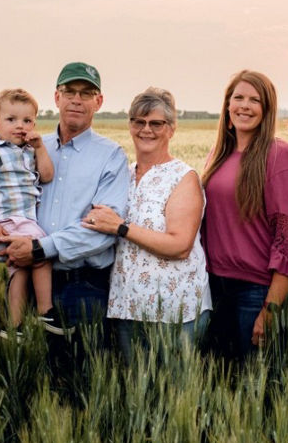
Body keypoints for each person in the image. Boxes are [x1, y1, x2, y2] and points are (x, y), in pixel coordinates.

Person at [1, 62, 130, 348]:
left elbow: (102, 228)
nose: (76, 99)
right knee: (32, 382)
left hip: (84, 287)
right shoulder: (29, 147)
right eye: (69, 91)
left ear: (98, 102)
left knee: (82, 380)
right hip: (26, 284)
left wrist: (37, 249)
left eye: (86, 93)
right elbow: (5, 200)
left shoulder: (111, 156)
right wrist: (3, 244)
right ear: (56, 97)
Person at [82, 87, 211, 359]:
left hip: (175, 311)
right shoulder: (122, 175)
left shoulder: (182, 177)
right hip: (127, 306)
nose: (146, 130)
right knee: (137, 395)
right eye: (138, 122)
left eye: (156, 123)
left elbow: (180, 245)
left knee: (175, 397)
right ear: (130, 125)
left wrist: (121, 227)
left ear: (171, 128)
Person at [200, 69, 288, 359]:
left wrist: (270, 308)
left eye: (255, 100)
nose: (244, 106)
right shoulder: (218, 153)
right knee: (222, 383)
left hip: (255, 290)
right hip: (212, 286)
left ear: (267, 109)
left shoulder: (278, 154)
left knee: (255, 386)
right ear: (227, 104)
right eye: (238, 97)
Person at [0, 88, 55, 329]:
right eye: (11, 120)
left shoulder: (30, 151)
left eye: (27, 120)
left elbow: (48, 176)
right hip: (9, 220)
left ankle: (16, 324)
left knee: (19, 270)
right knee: (42, 255)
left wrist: (40, 148)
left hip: (25, 220)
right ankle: (46, 311)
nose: (20, 126)